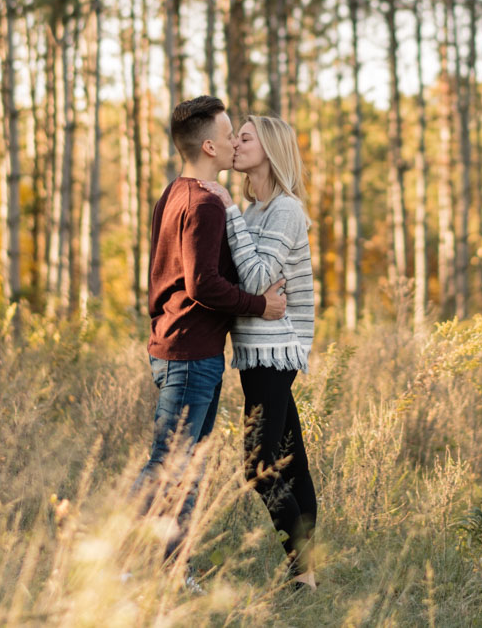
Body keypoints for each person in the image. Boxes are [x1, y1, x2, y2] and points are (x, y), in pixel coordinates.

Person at [136, 96, 287, 566]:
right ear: (208, 146)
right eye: (227, 136)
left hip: (175, 346)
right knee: (170, 465)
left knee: (185, 469)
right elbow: (202, 284)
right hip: (190, 354)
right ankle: (119, 556)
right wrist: (260, 305)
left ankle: (171, 571)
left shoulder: (174, 192)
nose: (233, 142)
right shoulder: (205, 204)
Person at [197, 115, 319, 591]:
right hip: (255, 351)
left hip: (274, 352)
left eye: (245, 138)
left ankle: (301, 570)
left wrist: (226, 209)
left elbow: (255, 279)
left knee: (259, 465)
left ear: (269, 151)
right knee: (291, 463)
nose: (235, 144)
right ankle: (308, 571)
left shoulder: (284, 210)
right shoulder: (253, 213)